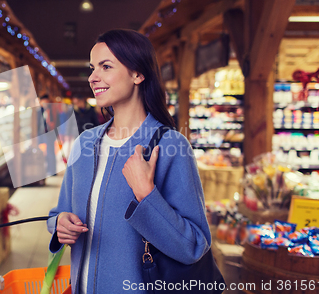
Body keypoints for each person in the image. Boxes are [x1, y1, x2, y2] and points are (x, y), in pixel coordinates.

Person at [46, 29, 211, 293]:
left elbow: (194, 245)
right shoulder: (84, 143)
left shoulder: (170, 146)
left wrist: (146, 194)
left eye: (106, 66)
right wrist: (60, 225)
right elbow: (58, 214)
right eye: (92, 68)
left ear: (138, 74)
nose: (92, 77)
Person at [38, 94, 58, 176]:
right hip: (41, 134)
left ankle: (52, 170)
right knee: (42, 153)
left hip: (50, 134)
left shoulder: (52, 110)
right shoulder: (39, 111)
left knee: (50, 152)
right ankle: (44, 170)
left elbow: (56, 122)